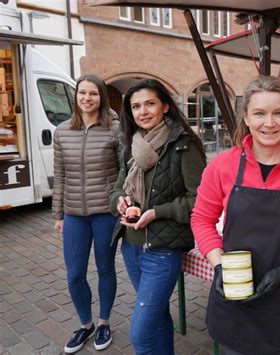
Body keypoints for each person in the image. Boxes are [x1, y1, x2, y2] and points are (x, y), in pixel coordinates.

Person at [191, 75, 280, 354]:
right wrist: (219, 264)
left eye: (278, 113)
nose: (269, 123)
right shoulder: (222, 166)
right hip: (235, 294)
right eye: (259, 113)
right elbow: (201, 219)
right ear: (245, 117)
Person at [109, 79, 206, 355]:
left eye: (150, 103)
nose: (143, 111)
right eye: (136, 106)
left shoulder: (183, 145)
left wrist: (157, 212)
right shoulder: (131, 144)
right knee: (159, 316)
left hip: (162, 252)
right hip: (131, 246)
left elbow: (200, 199)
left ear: (164, 106)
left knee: (140, 334)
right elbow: (117, 187)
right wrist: (120, 201)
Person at [52, 74, 120, 353]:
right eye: (82, 93)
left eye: (93, 93)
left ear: (101, 97)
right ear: (76, 96)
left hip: (106, 213)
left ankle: (104, 322)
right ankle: (86, 325)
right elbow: (60, 174)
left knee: (105, 269)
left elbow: (123, 173)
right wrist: (58, 214)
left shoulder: (116, 129)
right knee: (75, 274)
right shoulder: (62, 131)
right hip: (74, 214)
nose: (87, 98)